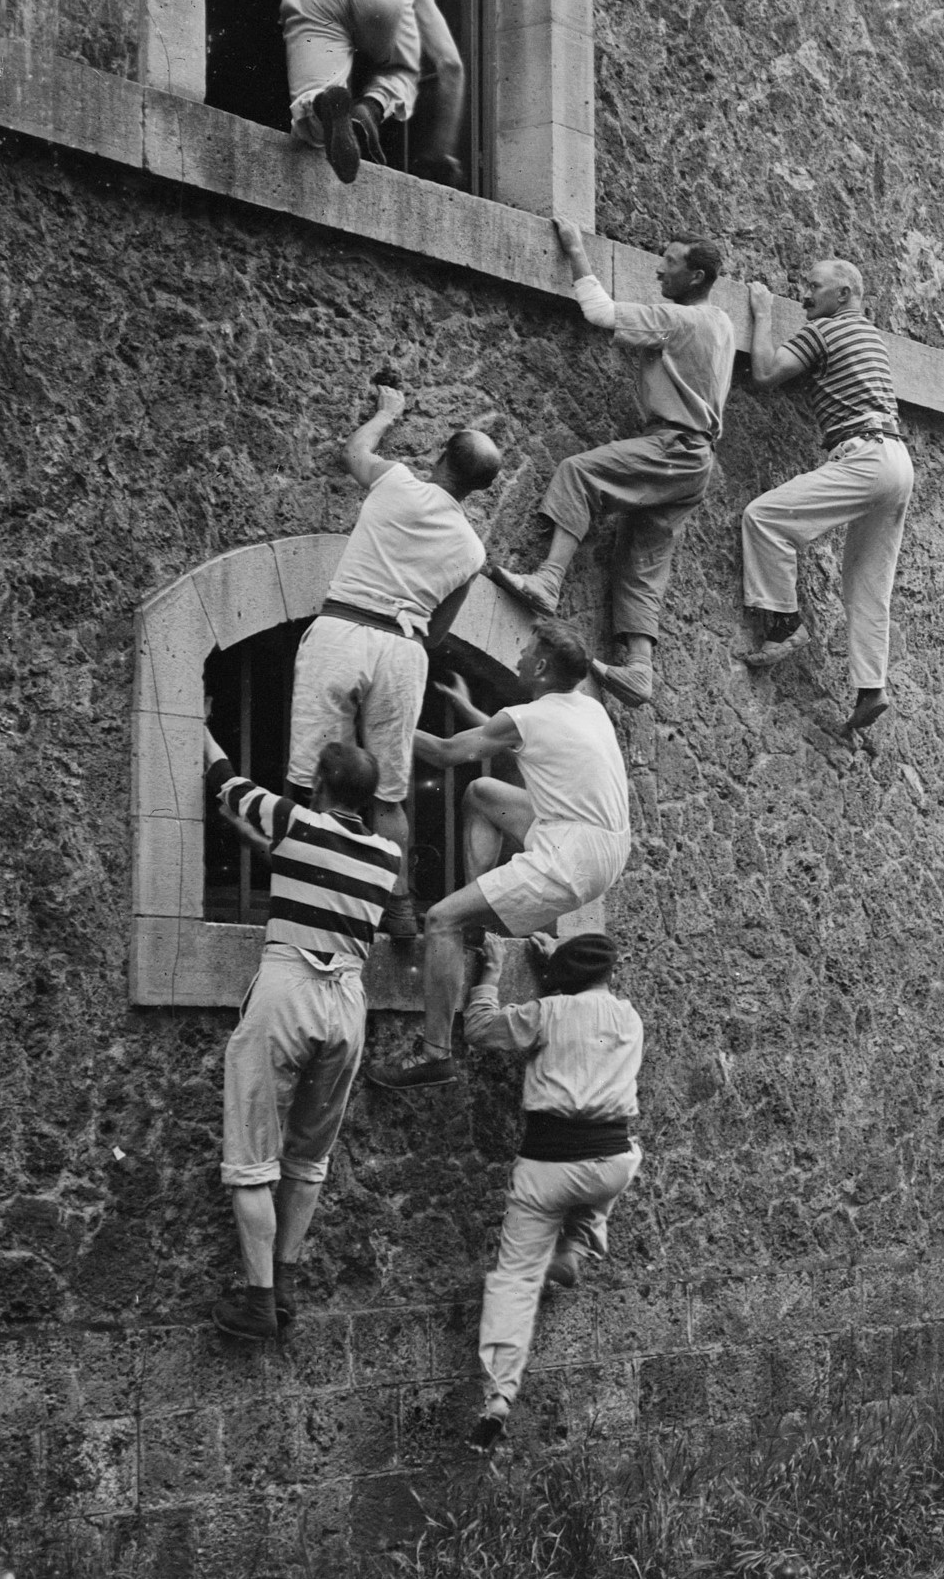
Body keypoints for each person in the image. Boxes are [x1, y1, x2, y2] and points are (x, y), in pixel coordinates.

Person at [366, 620, 632, 1090]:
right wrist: (471, 709)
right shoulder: (587, 708)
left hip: (569, 856)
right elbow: (519, 734)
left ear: (543, 666)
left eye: (527, 650)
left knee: (440, 920)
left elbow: (447, 752)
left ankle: (435, 1055)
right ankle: (478, 914)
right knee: (484, 792)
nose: (518, 657)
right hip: (605, 845)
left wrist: (383, 720)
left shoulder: (530, 717)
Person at [200, 731, 403, 1341]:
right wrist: (261, 843)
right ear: (368, 799)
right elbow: (317, 870)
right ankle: (283, 1282)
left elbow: (224, 782)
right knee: (309, 1155)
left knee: (251, 1150)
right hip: (347, 1002)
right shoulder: (387, 856)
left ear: (317, 784)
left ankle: (259, 1301)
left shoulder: (292, 819)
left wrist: (204, 728)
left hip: (289, 986)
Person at [488, 220, 737, 709]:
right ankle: (640, 670)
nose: (659, 267)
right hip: (697, 463)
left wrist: (577, 249)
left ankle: (547, 581)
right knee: (643, 557)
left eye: (671, 261)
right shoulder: (721, 323)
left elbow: (599, 312)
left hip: (674, 446)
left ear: (696, 277)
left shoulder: (677, 319)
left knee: (579, 472)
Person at [292, 384, 501, 934]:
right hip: (404, 649)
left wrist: (385, 413)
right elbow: (437, 634)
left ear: (438, 459)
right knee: (389, 790)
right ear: (479, 489)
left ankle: (318, 891)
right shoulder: (472, 551)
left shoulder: (396, 482)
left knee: (318, 774)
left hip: (343, 629)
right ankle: (398, 903)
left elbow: (354, 454)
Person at [462, 931, 643, 1449]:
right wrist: (557, 972)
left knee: (514, 1279)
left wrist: (492, 973)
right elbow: (586, 1029)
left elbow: (480, 1030)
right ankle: (576, 1244)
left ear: (562, 978)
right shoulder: (629, 1019)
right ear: (609, 974)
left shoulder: (544, 1013)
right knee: (621, 1165)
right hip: (610, 1162)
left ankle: (498, 1398)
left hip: (549, 1166)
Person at [729, 258, 917, 750]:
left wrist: (763, 312)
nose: (804, 294)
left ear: (844, 294)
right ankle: (871, 688)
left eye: (814, 287)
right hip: (897, 459)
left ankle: (785, 622)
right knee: (868, 584)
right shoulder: (869, 335)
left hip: (863, 456)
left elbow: (766, 373)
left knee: (764, 516)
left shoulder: (826, 331)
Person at [276, 0, 464, 186]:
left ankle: (323, 104)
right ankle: (372, 107)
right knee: (402, 72)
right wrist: (440, 153)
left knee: (311, 117)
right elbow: (451, 64)